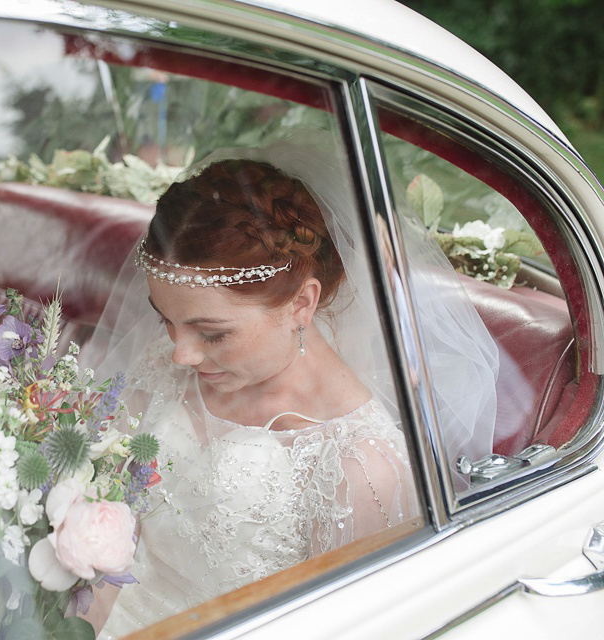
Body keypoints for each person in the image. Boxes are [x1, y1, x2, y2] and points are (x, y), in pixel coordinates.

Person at [85, 137, 498, 636]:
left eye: (212, 333)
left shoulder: (361, 469)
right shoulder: (169, 365)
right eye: (166, 321)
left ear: (302, 304)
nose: (180, 354)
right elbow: (103, 519)